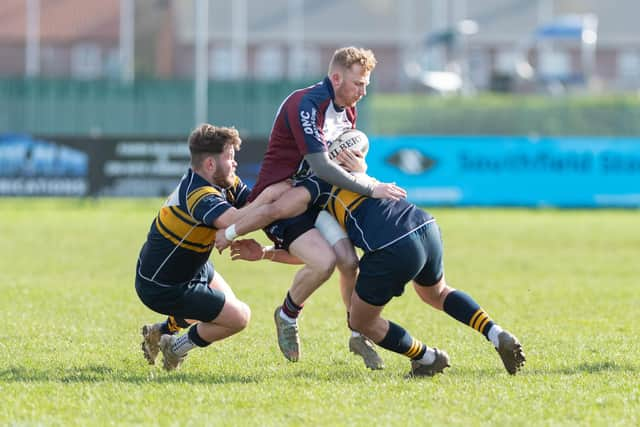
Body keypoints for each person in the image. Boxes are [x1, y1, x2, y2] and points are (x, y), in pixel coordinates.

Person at [229, 174, 527, 376]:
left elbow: (279, 212)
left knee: (361, 321)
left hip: (391, 244)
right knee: (437, 292)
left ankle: (426, 358)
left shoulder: (315, 186)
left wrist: (230, 231)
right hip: (423, 223)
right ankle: (495, 332)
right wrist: (268, 252)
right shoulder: (351, 165)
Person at [219, 47, 405, 366]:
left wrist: (359, 167)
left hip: (315, 199)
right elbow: (321, 167)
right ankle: (287, 316)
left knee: (349, 262)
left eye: (366, 85)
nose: (362, 92)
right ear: (336, 78)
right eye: (358, 84)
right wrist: (373, 187)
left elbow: (342, 166)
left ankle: (358, 332)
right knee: (323, 263)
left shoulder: (348, 112)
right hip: (281, 199)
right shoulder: (306, 103)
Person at [135, 124, 288, 371]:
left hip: (192, 266)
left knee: (222, 307)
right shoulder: (197, 193)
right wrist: (272, 195)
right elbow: (238, 220)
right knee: (238, 317)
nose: (235, 164)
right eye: (229, 158)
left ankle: (159, 332)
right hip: (162, 285)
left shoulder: (224, 182)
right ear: (209, 164)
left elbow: (250, 204)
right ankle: (174, 348)